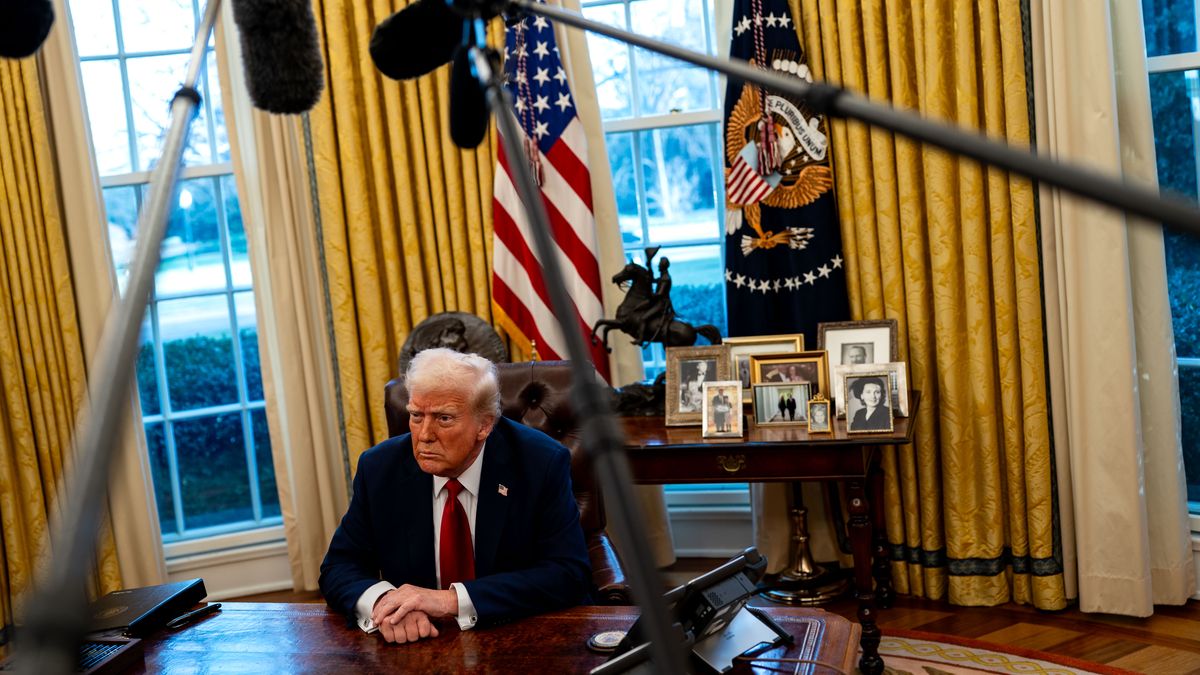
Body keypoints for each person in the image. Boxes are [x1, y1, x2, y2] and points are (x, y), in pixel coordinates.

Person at [319, 349, 590, 644]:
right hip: (416, 644)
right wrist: (386, 603)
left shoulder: (540, 463)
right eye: (415, 416)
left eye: (444, 418)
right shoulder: (380, 468)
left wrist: (449, 601)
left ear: (484, 425)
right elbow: (338, 567)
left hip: (516, 638)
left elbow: (568, 574)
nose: (424, 435)